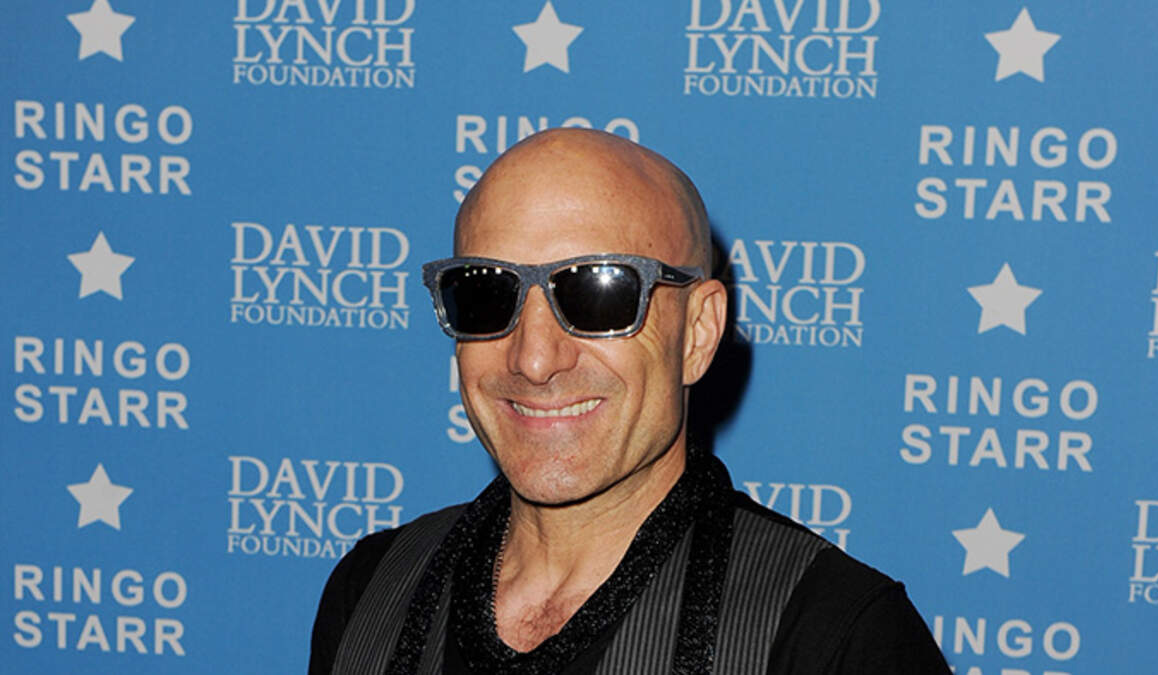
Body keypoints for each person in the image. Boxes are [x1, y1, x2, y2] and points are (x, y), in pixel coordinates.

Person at [309, 129, 950, 674]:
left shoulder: (834, 636)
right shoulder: (373, 592)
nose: (534, 359)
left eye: (599, 293)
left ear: (698, 333)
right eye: (486, 294)